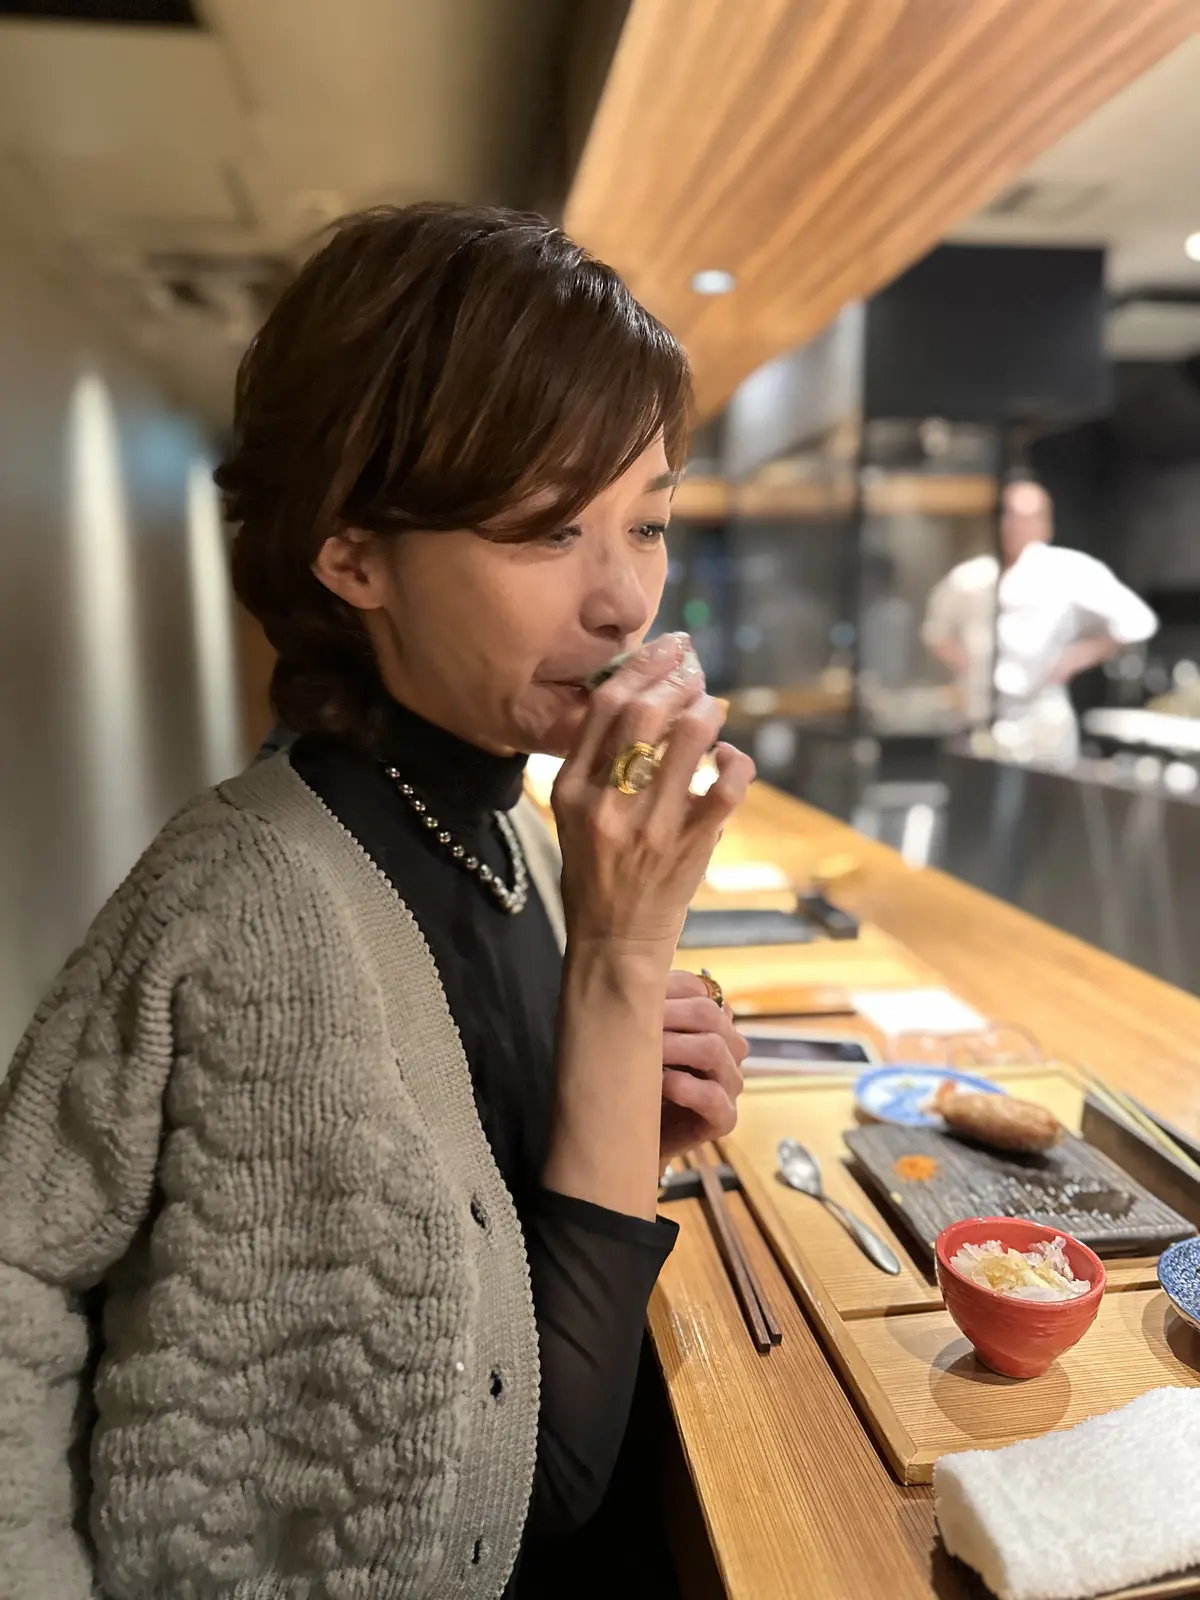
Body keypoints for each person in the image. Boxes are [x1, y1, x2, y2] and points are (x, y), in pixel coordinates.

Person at [0, 204, 755, 1600]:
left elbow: (494, 1281)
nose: (622, 605)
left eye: (645, 523)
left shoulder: (515, 833)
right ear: (352, 556)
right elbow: (541, 1478)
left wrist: (604, 1100)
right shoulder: (238, 903)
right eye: (549, 529)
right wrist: (621, 957)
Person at [922, 478, 1158, 766]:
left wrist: (1075, 658)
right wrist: (971, 667)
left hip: (1041, 717)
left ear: (1046, 524)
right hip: (981, 715)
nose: (1016, 526)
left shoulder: (1069, 570)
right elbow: (937, 632)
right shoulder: (971, 577)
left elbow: (1136, 622)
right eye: (1009, 516)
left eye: (1027, 518)